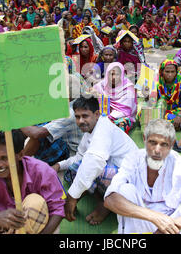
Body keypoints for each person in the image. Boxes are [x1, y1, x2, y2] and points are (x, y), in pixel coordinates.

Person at [103, 118, 181, 234]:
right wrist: (154, 217)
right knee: (125, 190)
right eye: (152, 143)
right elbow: (110, 199)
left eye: (164, 144)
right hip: (141, 221)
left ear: (171, 145)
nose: (157, 150)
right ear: (144, 139)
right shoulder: (133, 159)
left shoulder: (180, 165)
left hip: (172, 226)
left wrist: (169, 226)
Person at [52, 96, 139, 225]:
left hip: (131, 181)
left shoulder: (103, 128)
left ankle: (106, 205)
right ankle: (101, 199)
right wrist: (58, 165)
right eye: (77, 117)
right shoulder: (89, 131)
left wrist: (72, 197)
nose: (80, 121)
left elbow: (94, 162)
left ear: (97, 114)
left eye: (85, 116)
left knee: (91, 166)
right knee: (76, 168)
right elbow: (79, 157)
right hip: (114, 172)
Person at [91, 62, 137, 134]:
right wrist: (94, 94)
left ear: (121, 74)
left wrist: (108, 118)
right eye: (111, 74)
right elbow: (92, 94)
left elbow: (125, 111)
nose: (113, 77)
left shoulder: (128, 87)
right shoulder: (102, 85)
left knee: (120, 125)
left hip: (121, 117)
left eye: (117, 74)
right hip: (103, 115)